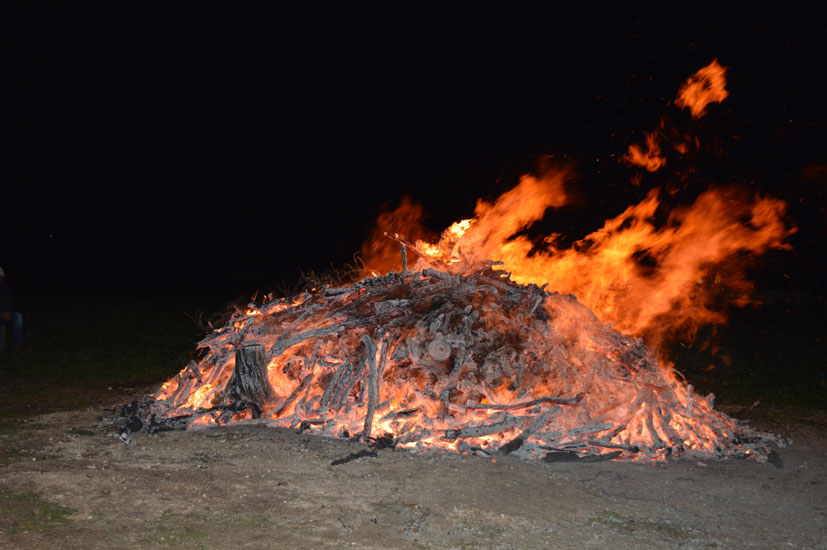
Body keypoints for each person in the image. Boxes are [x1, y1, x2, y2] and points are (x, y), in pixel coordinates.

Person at [0, 267, 23, 351]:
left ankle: (17, 345)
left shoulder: (6, 289)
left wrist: (8, 313)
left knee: (18, 316)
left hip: (6, 315)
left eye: (1, 277)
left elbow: (11, 303)